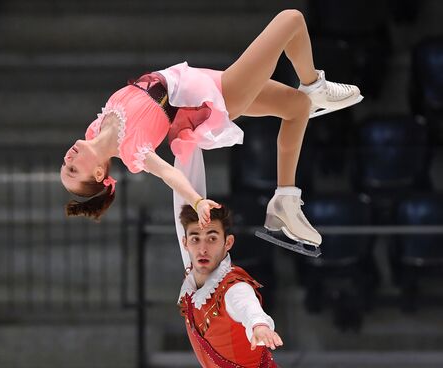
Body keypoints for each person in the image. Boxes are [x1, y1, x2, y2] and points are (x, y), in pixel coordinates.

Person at [60, 9, 363, 262]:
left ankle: (285, 199)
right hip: (214, 97)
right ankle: (315, 85)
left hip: (203, 80)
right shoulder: (132, 151)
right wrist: (197, 201)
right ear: (100, 171)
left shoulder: (95, 128)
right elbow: (168, 174)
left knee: (296, 106)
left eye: (65, 165)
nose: (68, 159)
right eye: (73, 169)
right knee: (291, 20)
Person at [178, 204, 282, 368]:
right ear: (185, 243)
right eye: (195, 239)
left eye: (212, 239)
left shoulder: (234, 288)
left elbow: (248, 307)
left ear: (228, 242)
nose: (203, 249)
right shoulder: (192, 277)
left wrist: (259, 326)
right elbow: (184, 197)